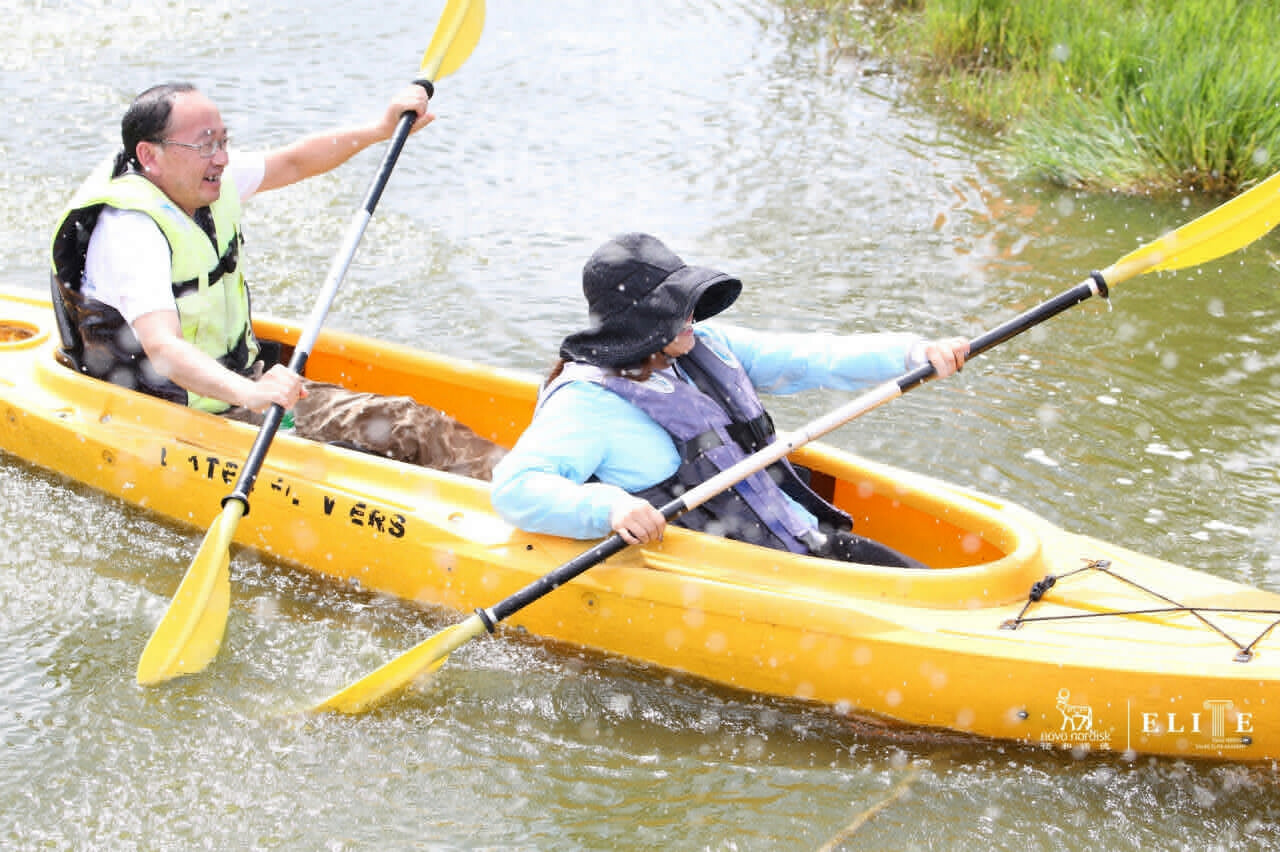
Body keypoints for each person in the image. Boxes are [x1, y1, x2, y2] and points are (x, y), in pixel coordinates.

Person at [49, 81, 505, 479]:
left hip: (234, 391)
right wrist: (251, 392)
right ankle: (527, 500)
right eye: (206, 145)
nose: (222, 158)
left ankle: (528, 487)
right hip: (183, 419)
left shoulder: (199, 180)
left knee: (410, 426)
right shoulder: (133, 230)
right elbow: (163, 351)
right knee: (411, 425)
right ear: (150, 155)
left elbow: (292, 162)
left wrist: (379, 131)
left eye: (224, 141)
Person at [489, 232, 970, 567]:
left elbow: (813, 356)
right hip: (724, 578)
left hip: (798, 544)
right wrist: (608, 507)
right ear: (634, 323)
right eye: (674, 308)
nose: (691, 317)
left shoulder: (707, 346)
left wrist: (913, 352)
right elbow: (514, 488)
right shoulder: (587, 403)